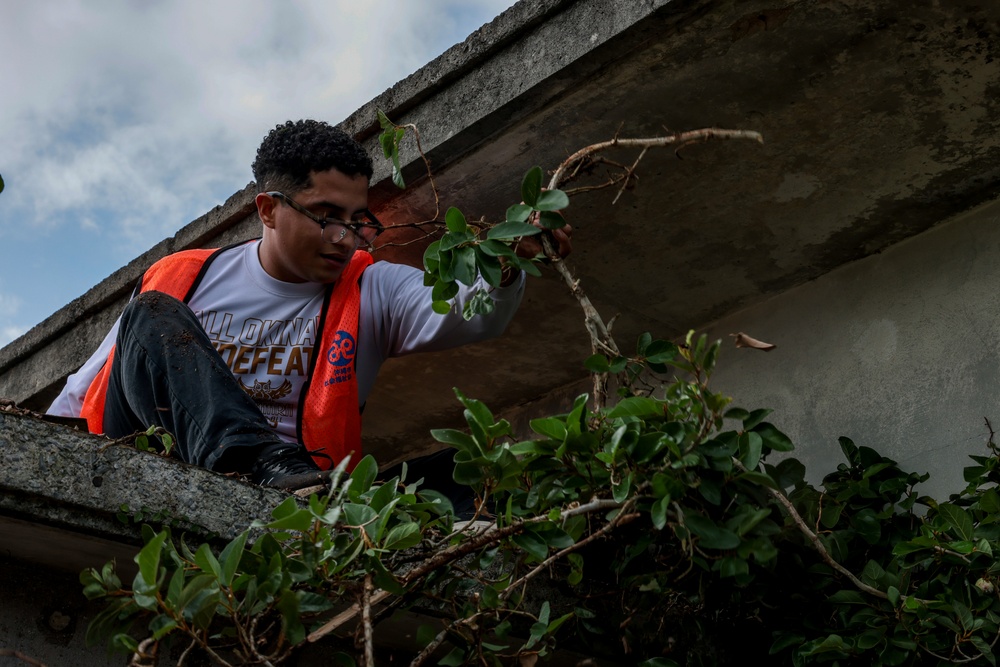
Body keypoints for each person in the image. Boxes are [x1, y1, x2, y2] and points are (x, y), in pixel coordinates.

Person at [48, 119, 571, 493]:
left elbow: (465, 313)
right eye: (326, 215)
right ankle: (256, 459)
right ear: (270, 210)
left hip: (309, 487)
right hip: (156, 464)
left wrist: (505, 261)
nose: (345, 238)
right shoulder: (182, 277)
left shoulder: (372, 287)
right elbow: (85, 390)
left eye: (356, 218)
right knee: (151, 313)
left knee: (474, 471)